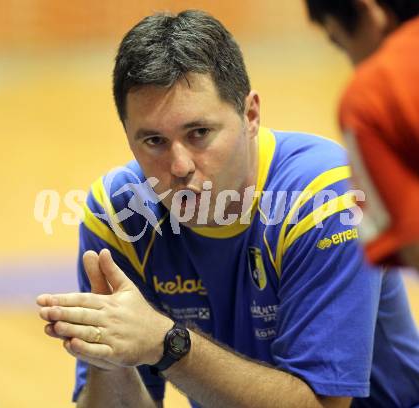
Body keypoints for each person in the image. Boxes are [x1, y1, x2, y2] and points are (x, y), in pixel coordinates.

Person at [37, 10, 419, 408]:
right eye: (153, 141)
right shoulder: (119, 216)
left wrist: (167, 344)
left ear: (250, 114)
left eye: (199, 133)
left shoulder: (324, 197)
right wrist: (109, 356)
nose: (180, 166)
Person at [305, 0, 419, 269]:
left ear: (368, 11)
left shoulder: (370, 94)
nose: (353, 63)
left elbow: (412, 244)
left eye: (340, 43)